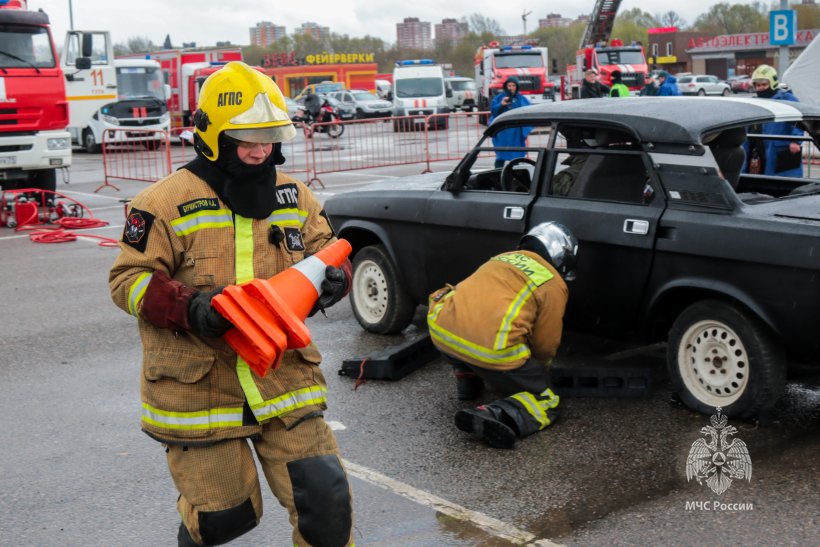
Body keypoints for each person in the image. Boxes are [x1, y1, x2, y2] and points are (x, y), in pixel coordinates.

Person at [109, 61, 354, 547]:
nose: (262, 151)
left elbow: (328, 250)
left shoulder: (295, 197)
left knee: (325, 509)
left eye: (269, 139)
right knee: (226, 518)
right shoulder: (162, 203)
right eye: (248, 141)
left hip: (283, 378)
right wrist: (193, 309)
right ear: (214, 138)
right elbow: (127, 280)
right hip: (199, 385)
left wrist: (334, 281)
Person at [427, 222, 578, 449]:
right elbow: (546, 344)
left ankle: (466, 378)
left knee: (465, 331)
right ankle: (493, 414)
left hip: (442, 330)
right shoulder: (553, 283)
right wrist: (538, 373)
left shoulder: (502, 257)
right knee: (547, 399)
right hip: (491, 348)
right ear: (562, 257)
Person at [744, 64, 804, 178]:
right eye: (757, 85)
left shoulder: (787, 99)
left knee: (785, 181)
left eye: (764, 84)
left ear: (773, 83)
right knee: (759, 180)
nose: (760, 88)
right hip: (758, 147)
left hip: (781, 147)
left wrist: (796, 140)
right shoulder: (755, 101)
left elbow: (799, 119)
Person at [489, 76, 532, 169]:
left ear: (517, 87)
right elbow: (494, 112)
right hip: (502, 131)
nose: (511, 88)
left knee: (515, 156)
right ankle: (497, 173)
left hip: (516, 131)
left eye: (513, 85)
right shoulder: (499, 98)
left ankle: (513, 175)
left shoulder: (521, 98)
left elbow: (528, 111)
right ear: (506, 86)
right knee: (500, 155)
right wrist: (501, 104)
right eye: (509, 85)